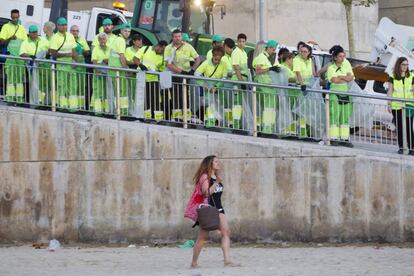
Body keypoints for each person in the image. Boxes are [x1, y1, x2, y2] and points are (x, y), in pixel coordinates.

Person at [184, 155, 238, 268]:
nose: (219, 163)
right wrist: (217, 182)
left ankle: (227, 261)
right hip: (208, 210)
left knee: (226, 232)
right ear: (210, 164)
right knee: (202, 238)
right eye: (216, 162)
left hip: (219, 209)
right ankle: (194, 263)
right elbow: (206, 193)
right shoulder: (205, 177)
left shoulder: (216, 176)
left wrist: (217, 180)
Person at [164, 29, 201, 121]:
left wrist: (192, 70)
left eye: (179, 36)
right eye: (175, 37)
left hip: (186, 76)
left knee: (185, 96)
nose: (177, 38)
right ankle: (177, 117)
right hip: (174, 75)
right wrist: (182, 72)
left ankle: (186, 117)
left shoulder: (188, 46)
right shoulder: (168, 48)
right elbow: (168, 64)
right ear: (172, 37)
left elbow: (198, 59)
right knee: (175, 95)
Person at [326, 45, 354, 146]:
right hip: (335, 94)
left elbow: (350, 78)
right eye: (340, 56)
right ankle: (334, 138)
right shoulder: (331, 68)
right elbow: (334, 80)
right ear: (335, 57)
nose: (343, 58)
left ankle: (344, 138)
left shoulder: (345, 66)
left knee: (345, 117)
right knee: (335, 116)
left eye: (343, 56)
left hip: (345, 93)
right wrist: (344, 78)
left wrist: (341, 77)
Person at [195, 45, 228, 127]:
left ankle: (218, 121)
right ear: (212, 56)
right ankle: (210, 123)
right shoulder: (206, 63)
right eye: (216, 59)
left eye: (219, 60)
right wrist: (204, 85)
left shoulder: (223, 64)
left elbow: (224, 77)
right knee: (210, 105)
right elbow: (196, 74)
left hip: (218, 89)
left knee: (218, 105)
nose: (217, 61)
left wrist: (217, 87)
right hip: (208, 89)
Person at [134, 40, 168, 120]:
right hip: (142, 78)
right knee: (144, 99)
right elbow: (135, 58)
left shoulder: (162, 56)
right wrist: (140, 65)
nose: (163, 52)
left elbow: (161, 69)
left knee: (155, 99)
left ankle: (157, 118)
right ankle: (146, 117)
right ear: (159, 46)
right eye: (162, 50)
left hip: (154, 79)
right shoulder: (145, 49)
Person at [49, 17, 78, 109]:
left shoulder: (70, 36)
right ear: (57, 26)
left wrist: (77, 62)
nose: (64, 27)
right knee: (62, 86)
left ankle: (72, 107)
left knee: (73, 86)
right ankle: (63, 106)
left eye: (65, 25)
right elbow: (52, 52)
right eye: (62, 25)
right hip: (61, 65)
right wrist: (66, 54)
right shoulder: (55, 37)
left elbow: (74, 50)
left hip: (71, 65)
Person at [387, 56, 414, 155]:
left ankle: (412, 148)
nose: (405, 66)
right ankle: (402, 147)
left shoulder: (411, 75)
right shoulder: (393, 76)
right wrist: (389, 104)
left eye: (406, 64)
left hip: (409, 105)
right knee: (399, 127)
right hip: (397, 105)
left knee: (408, 126)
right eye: (403, 64)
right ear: (399, 65)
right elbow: (390, 90)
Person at [252, 40, 280, 134]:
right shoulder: (261, 57)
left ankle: (269, 129)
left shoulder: (266, 58)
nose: (274, 51)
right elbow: (258, 71)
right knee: (268, 109)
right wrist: (270, 68)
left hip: (269, 87)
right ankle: (266, 130)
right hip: (265, 87)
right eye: (272, 49)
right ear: (267, 48)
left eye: (274, 49)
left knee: (270, 109)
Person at [0, 9, 27, 102]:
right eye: (13, 17)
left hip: (20, 58)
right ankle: (10, 98)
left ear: (19, 17)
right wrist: (9, 38)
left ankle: (19, 99)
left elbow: (25, 43)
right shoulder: (6, 27)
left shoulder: (22, 28)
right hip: (10, 57)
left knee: (20, 78)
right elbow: (2, 42)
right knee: (11, 78)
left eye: (17, 17)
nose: (15, 19)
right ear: (11, 17)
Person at [19, 25, 50, 104]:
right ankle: (32, 102)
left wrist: (48, 53)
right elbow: (21, 54)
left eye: (35, 32)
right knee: (32, 84)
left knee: (42, 84)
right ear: (29, 33)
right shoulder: (25, 42)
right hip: (31, 66)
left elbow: (50, 48)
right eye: (32, 32)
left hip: (43, 66)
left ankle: (42, 102)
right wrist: (30, 56)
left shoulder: (43, 40)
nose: (34, 34)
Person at [292, 43, 315, 137]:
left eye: (305, 52)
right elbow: (298, 73)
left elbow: (313, 73)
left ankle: (308, 132)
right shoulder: (297, 59)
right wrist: (303, 85)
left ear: (309, 52)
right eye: (301, 51)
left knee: (308, 112)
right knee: (301, 111)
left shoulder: (310, 60)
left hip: (309, 87)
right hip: (301, 88)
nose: (303, 53)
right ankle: (302, 133)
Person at [108, 23, 131, 116]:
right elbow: (121, 57)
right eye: (125, 31)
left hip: (113, 69)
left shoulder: (117, 39)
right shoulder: (121, 40)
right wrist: (126, 69)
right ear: (121, 31)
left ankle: (118, 112)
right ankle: (122, 112)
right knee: (122, 91)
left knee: (117, 91)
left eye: (129, 31)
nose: (127, 33)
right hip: (118, 70)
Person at [231, 33, 249, 129]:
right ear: (237, 42)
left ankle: (239, 125)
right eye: (240, 41)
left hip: (242, 81)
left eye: (243, 41)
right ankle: (236, 126)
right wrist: (241, 82)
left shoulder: (244, 52)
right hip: (237, 81)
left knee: (240, 105)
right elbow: (237, 68)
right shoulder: (236, 52)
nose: (241, 43)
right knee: (237, 105)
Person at [70, 25, 90, 109]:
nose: (75, 32)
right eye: (73, 30)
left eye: (77, 31)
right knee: (72, 86)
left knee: (81, 86)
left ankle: (81, 107)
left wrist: (84, 51)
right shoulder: (68, 39)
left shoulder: (82, 39)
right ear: (70, 31)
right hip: (72, 66)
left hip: (81, 66)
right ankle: (73, 106)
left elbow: (87, 51)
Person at [90, 33, 110, 114]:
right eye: (100, 39)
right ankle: (98, 111)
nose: (102, 41)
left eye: (104, 39)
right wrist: (97, 70)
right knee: (98, 90)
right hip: (98, 71)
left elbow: (111, 59)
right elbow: (94, 60)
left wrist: (107, 60)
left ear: (106, 40)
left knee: (106, 91)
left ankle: (106, 110)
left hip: (107, 71)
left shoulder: (109, 48)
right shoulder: (96, 49)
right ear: (98, 40)